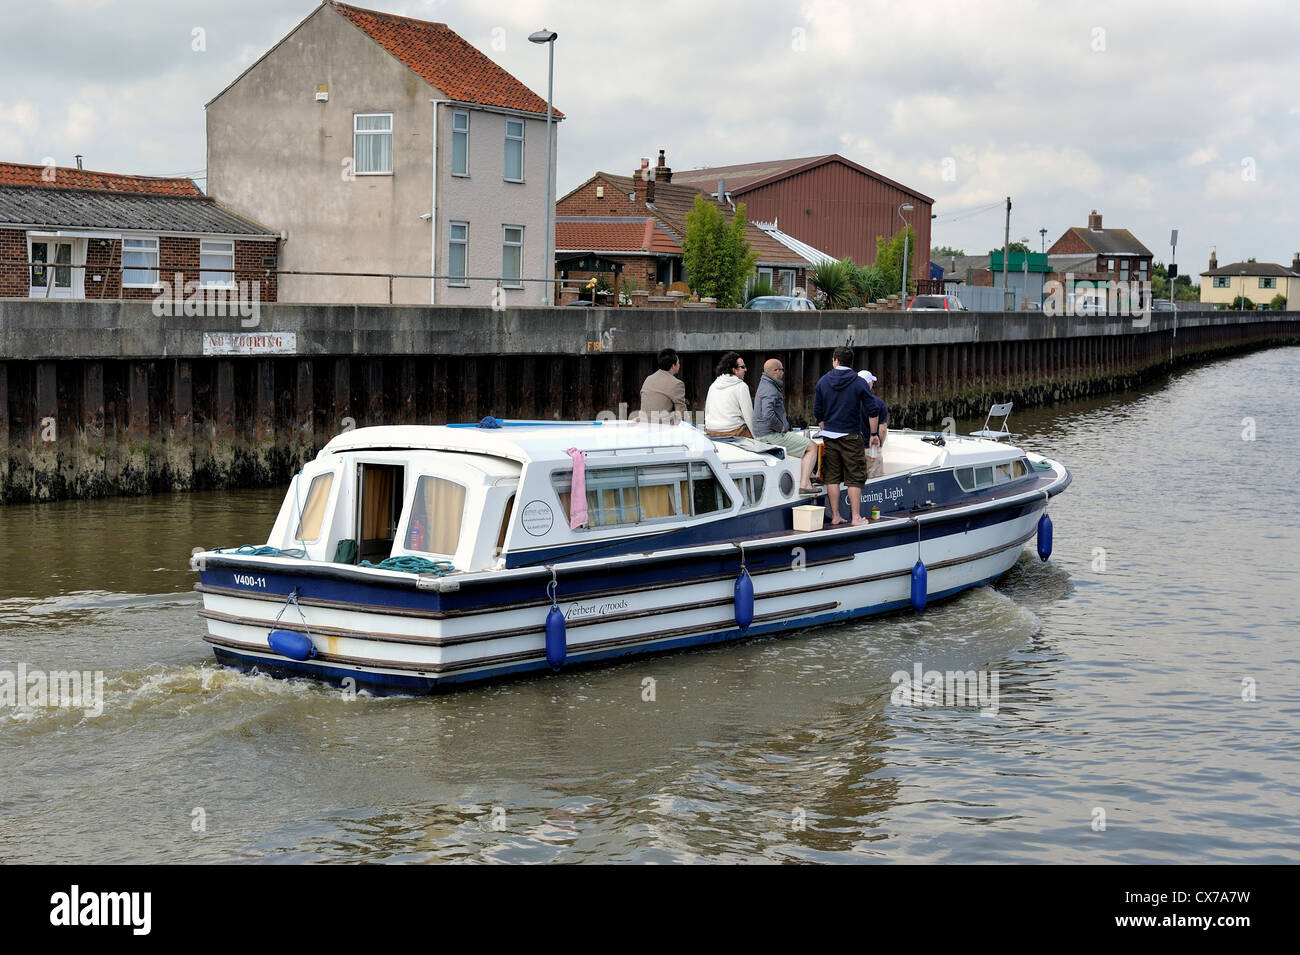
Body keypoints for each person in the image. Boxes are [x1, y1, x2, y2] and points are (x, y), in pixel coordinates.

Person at [813, 347, 877, 525]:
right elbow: (872, 410)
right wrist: (873, 434)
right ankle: (855, 517)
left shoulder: (823, 382)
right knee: (854, 476)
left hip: (830, 435)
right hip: (851, 435)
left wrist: (826, 428)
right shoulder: (859, 382)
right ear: (851, 362)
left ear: (835, 360)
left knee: (832, 475)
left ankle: (835, 516)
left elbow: (818, 412)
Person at [754, 358, 819, 493]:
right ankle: (805, 484)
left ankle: (811, 475)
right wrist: (780, 427)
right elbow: (767, 414)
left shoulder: (763, 384)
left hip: (762, 434)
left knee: (800, 443)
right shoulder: (770, 389)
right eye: (782, 369)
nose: (783, 372)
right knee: (812, 446)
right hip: (771, 435)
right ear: (776, 371)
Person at [704, 352, 754, 438]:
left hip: (711, 431)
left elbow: (707, 411)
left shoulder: (713, 385)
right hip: (733, 431)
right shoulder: (741, 386)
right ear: (734, 370)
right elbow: (748, 415)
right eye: (742, 367)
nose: (745, 369)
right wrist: (756, 437)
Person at [640, 348, 687, 423]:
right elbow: (682, 414)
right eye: (678, 363)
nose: (679, 365)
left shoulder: (648, 379)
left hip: (643, 422)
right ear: (673, 366)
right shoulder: (677, 384)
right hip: (661, 427)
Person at [858, 369, 887, 479]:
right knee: (875, 481)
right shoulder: (878, 403)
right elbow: (882, 429)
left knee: (854, 482)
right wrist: (880, 444)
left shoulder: (850, 402)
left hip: (853, 448)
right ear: (869, 384)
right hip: (871, 449)